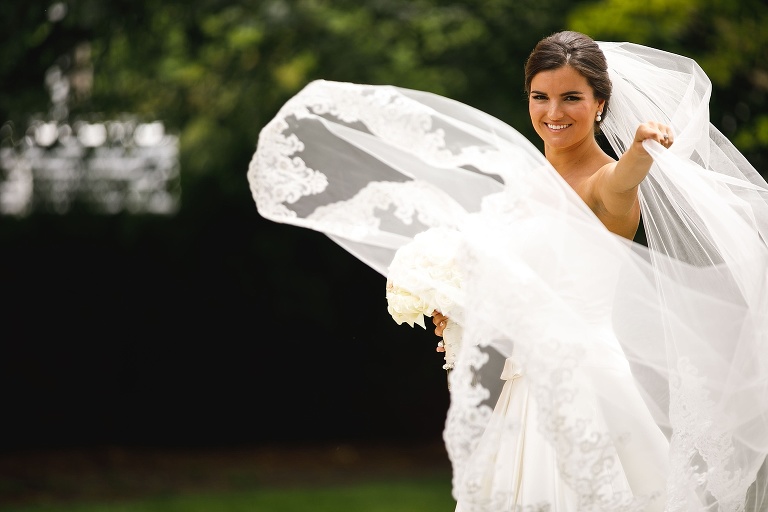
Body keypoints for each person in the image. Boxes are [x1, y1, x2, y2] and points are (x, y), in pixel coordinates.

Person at [248, 30, 768, 511]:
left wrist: (640, 149)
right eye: (541, 97)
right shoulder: (525, 184)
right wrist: (456, 307)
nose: (553, 112)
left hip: (587, 387)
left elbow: (623, 182)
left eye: (571, 97)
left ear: (600, 104)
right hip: (523, 389)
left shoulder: (604, 181)